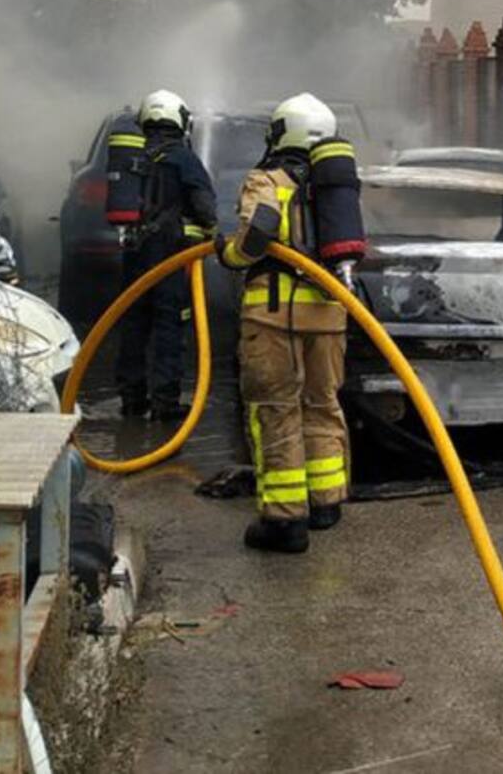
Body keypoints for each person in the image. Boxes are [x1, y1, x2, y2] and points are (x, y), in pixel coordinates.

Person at [217, 93, 365, 554]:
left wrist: (228, 254)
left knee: (275, 408)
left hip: (274, 315)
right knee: (322, 404)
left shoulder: (267, 179)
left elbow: (258, 234)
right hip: (329, 314)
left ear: (281, 132)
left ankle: (284, 522)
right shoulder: (336, 187)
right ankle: (325, 503)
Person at [109, 90, 217, 421]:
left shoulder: (132, 155)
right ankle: (165, 402)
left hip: (134, 253)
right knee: (169, 325)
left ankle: (131, 400)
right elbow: (204, 207)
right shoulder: (183, 158)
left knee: (134, 323)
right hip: (170, 255)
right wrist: (210, 232)